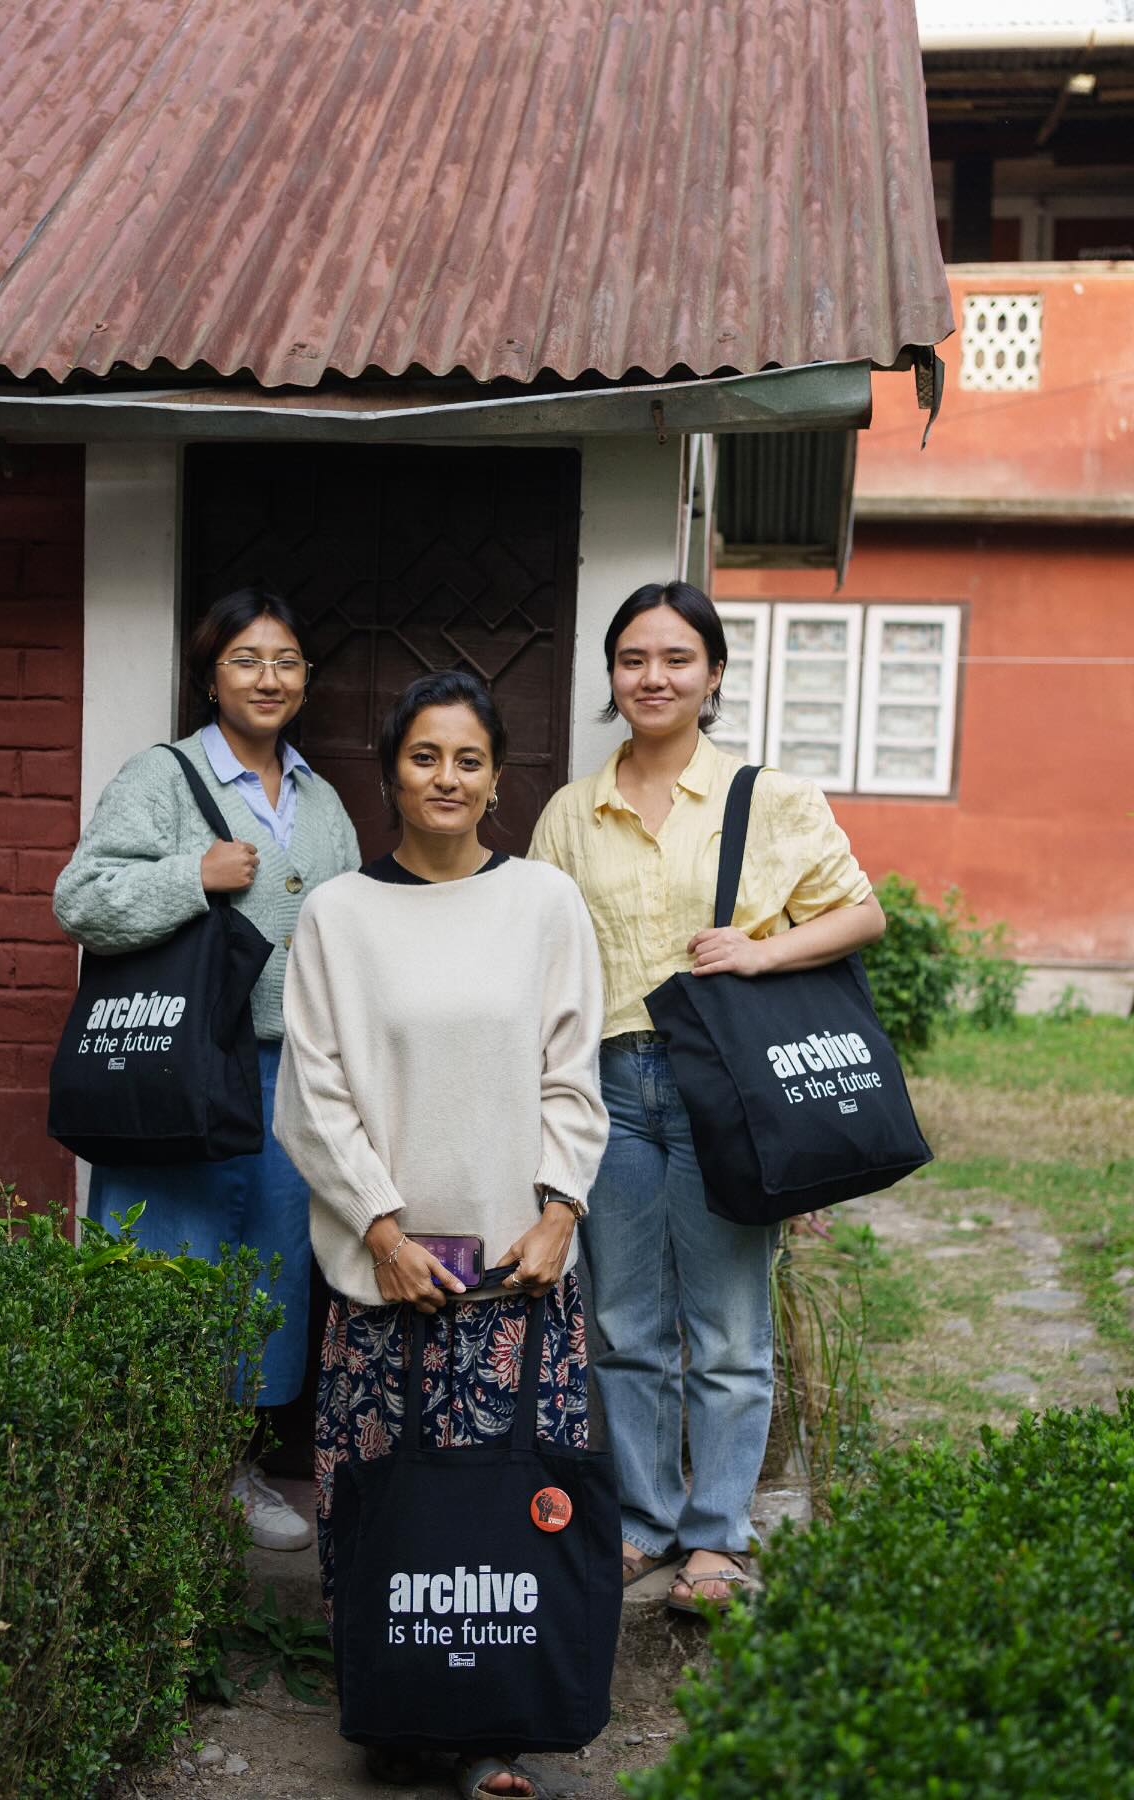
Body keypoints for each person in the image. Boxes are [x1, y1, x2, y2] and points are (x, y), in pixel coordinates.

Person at [273, 671, 608, 1800]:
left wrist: (561, 1210)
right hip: (390, 1274)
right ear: (390, 771)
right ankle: (401, 1717)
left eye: (468, 759)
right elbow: (312, 1093)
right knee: (392, 1505)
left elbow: (575, 1077)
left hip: (518, 1275)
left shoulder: (546, 905)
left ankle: (496, 1732)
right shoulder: (337, 915)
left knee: (505, 1508)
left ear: (498, 775)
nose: (447, 779)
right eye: (424, 757)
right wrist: (376, 1225)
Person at [529, 582, 885, 1613]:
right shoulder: (569, 814)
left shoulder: (765, 798)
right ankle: (644, 1520)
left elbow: (862, 915)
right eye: (634, 658)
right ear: (612, 676)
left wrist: (762, 952)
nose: (654, 677)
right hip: (607, 1088)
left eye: (678, 658)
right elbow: (542, 960)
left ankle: (717, 1536)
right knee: (626, 1323)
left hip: (722, 1088)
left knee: (728, 1328)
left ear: (715, 674)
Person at [52, 587, 360, 1551]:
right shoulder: (162, 776)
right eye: (246, 659)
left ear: (307, 680)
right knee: (166, 1266)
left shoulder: (324, 800)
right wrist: (193, 876)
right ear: (211, 673)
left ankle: (226, 1470)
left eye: (286, 660)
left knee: (266, 1274)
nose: (268, 677)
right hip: (183, 1066)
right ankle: (144, 1476)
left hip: (286, 1077)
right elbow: (82, 898)